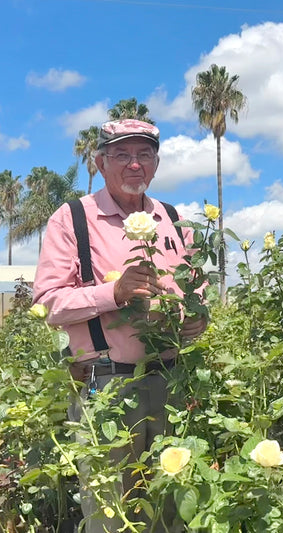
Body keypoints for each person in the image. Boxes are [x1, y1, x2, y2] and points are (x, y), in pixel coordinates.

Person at [33, 119, 207, 532]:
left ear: (156, 164)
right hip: (106, 386)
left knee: (171, 507)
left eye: (144, 154)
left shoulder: (172, 219)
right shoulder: (74, 218)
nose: (134, 164)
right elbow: (48, 302)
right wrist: (113, 293)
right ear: (100, 163)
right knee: (111, 510)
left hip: (170, 381)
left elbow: (196, 289)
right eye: (122, 155)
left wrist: (197, 316)